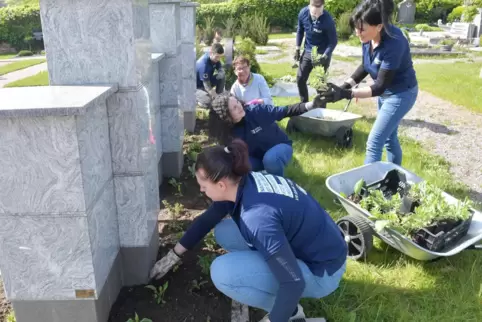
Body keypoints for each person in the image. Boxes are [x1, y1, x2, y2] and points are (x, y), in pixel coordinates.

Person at [149, 139, 347, 322]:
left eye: (203, 186)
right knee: (224, 232)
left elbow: (293, 283)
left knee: (222, 272)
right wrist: (173, 255)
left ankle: (293, 314)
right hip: (320, 246)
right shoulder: (244, 182)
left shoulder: (257, 218)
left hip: (323, 272)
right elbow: (206, 220)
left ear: (220, 184)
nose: (201, 190)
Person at [317, 0, 418, 166]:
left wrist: (346, 94)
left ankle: (366, 189)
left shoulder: (395, 43)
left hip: (401, 94)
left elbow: (379, 86)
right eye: (356, 27)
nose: (358, 32)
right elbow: (365, 65)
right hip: (386, 93)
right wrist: (345, 86)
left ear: (379, 26)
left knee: (374, 141)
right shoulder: (367, 38)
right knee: (389, 139)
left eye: (362, 28)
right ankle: (393, 177)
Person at [207, 91, 323, 177]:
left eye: (237, 102)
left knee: (271, 159)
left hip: (279, 148)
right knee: (235, 165)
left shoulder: (256, 111)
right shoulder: (227, 133)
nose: (239, 107)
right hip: (257, 159)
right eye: (234, 108)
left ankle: (280, 186)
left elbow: (286, 110)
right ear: (226, 116)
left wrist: (311, 105)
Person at [295, 0, 338, 103]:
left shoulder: (328, 20)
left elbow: (333, 42)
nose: (316, 16)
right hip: (308, 51)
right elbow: (300, 31)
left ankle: (322, 108)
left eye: (319, 13)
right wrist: (297, 48)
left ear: (323, 7)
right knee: (300, 78)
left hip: (322, 53)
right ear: (310, 7)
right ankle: (304, 104)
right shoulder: (303, 13)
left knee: (321, 84)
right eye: (314, 13)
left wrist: (325, 55)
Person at [196, 43, 226, 108]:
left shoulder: (214, 58)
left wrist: (221, 71)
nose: (218, 59)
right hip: (197, 87)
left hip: (207, 81)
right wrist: (216, 98)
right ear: (211, 53)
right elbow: (208, 87)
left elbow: (221, 70)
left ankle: (219, 95)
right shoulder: (203, 65)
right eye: (217, 57)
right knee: (208, 102)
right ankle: (196, 99)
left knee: (222, 75)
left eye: (220, 57)